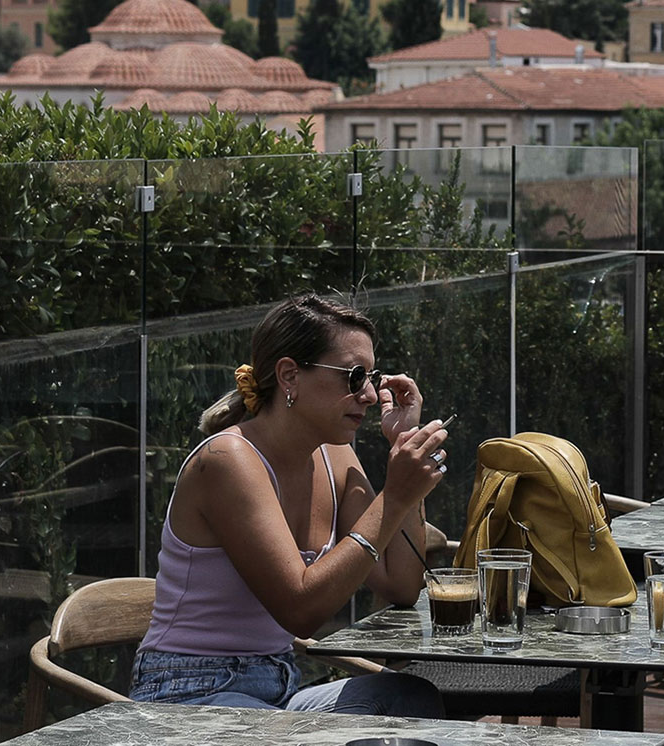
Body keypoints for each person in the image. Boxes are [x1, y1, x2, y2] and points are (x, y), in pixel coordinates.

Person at [130, 294, 449, 715]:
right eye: (354, 377)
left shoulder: (335, 455)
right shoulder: (228, 460)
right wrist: (395, 495)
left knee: (411, 698)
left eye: (373, 377)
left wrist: (404, 449)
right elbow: (300, 611)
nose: (370, 395)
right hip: (188, 691)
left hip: (278, 691)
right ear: (289, 376)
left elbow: (401, 584)